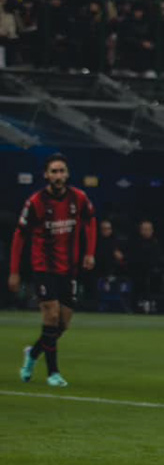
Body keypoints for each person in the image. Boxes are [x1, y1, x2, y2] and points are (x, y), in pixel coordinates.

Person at [11, 152, 96, 387]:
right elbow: (19, 236)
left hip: (68, 268)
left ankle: (33, 354)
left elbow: (91, 221)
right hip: (43, 267)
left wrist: (89, 253)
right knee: (51, 316)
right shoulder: (36, 202)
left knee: (63, 324)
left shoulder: (78, 198)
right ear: (46, 175)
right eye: (54, 172)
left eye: (62, 171)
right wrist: (14, 271)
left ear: (67, 174)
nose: (58, 176)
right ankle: (53, 373)